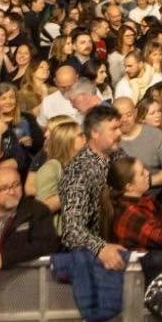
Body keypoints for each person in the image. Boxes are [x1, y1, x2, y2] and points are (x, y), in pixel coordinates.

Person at [59, 104, 127, 271]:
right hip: (93, 263)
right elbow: (72, 230)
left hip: (124, 245)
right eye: (114, 129)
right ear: (95, 133)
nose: (120, 133)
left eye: (120, 127)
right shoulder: (79, 171)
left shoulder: (119, 156)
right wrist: (100, 248)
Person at [105, 157, 162, 250]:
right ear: (130, 187)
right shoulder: (130, 213)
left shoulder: (142, 198)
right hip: (150, 260)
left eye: (144, 169)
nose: (147, 173)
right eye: (141, 173)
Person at [115, 97, 162, 198]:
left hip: (156, 196)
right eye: (119, 116)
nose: (124, 120)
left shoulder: (154, 134)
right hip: (122, 200)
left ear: (136, 113)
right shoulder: (110, 140)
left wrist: (149, 182)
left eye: (128, 115)